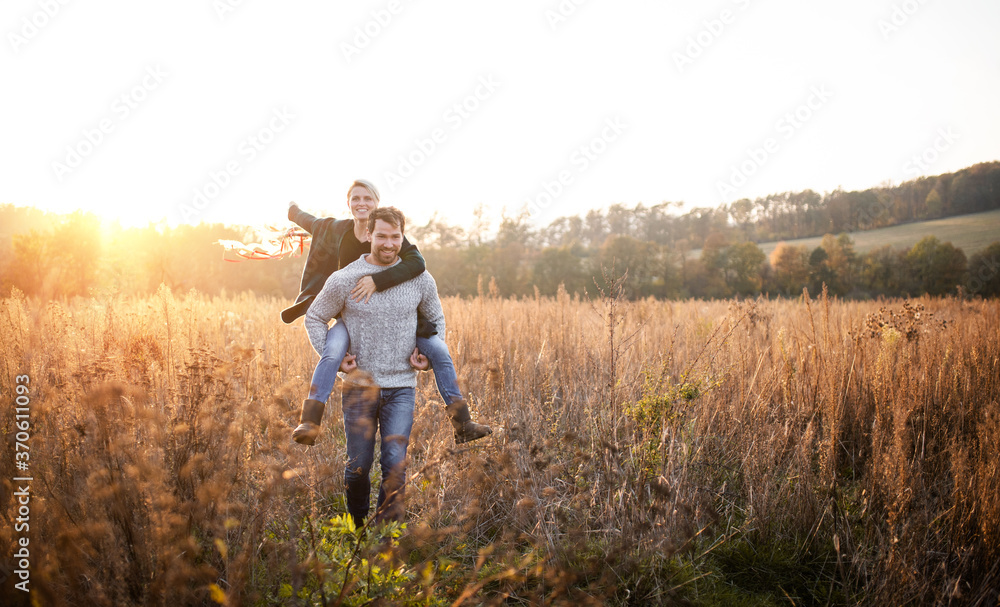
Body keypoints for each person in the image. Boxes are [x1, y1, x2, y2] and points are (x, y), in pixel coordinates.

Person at [283, 179, 491, 446]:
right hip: (352, 317)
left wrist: (377, 281)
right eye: (356, 198)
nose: (361, 203)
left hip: (399, 317)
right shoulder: (335, 229)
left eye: (368, 198)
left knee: (439, 350)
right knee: (332, 351)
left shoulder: (391, 234)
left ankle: (463, 423)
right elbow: (310, 221)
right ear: (348, 203)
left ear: (377, 204)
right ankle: (310, 422)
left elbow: (418, 263)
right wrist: (292, 210)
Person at [304, 206, 444, 527]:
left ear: (402, 237)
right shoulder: (344, 279)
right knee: (358, 467)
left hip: (402, 388)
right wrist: (335, 358)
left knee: (395, 464)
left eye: (395, 237)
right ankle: (356, 526)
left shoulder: (420, 279)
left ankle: (386, 535)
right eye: (381, 235)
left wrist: (427, 357)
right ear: (368, 235)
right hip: (359, 389)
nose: (388, 243)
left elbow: (436, 320)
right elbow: (314, 317)